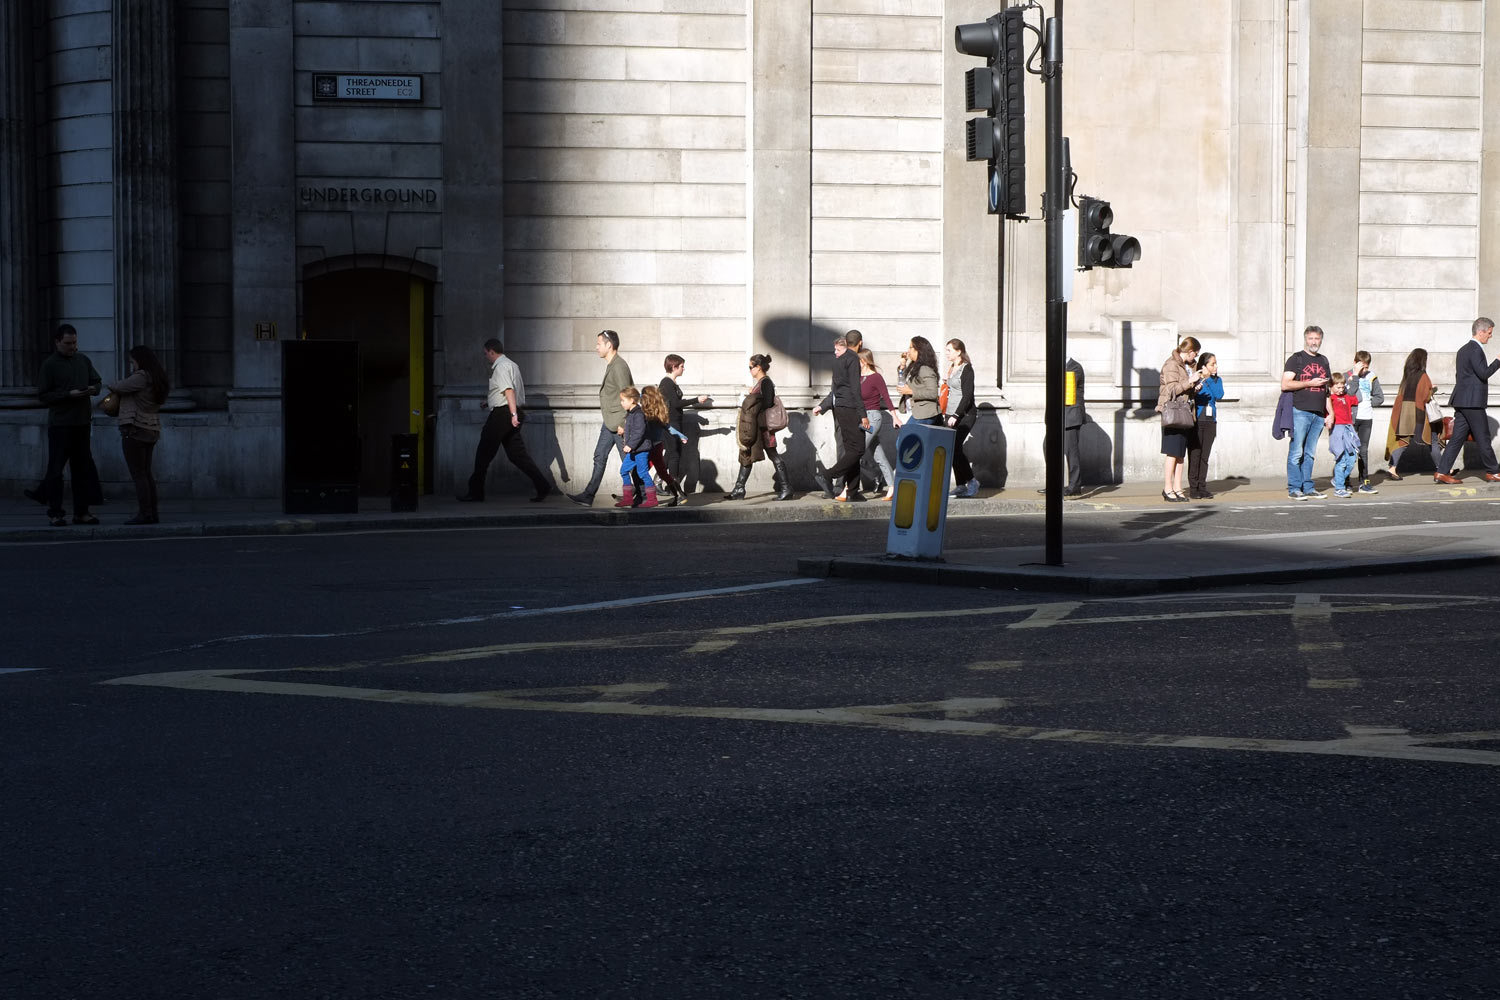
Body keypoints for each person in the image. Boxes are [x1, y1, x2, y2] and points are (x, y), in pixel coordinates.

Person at [458, 338, 551, 504]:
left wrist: (513, 414)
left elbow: (508, 390)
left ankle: (475, 492)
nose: (486, 356)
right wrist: (490, 401)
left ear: (492, 351)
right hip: (510, 411)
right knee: (517, 455)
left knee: (483, 452)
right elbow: (507, 391)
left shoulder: (500, 367)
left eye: (486, 353)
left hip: (503, 414)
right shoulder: (512, 364)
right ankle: (542, 485)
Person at [34, 324, 103, 526]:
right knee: (56, 471)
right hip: (60, 425)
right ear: (57, 342)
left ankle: (82, 512)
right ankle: (56, 513)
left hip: (82, 423)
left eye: (74, 342)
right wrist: (67, 395)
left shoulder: (83, 360)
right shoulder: (49, 365)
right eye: (68, 343)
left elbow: (98, 382)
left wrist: (92, 389)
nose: (72, 347)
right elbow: (43, 395)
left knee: (82, 470)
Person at [568, 330, 634, 507]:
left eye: (599, 344)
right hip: (609, 422)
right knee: (599, 456)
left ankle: (642, 492)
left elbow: (628, 395)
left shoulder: (619, 366)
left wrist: (624, 423)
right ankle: (589, 495)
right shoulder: (612, 364)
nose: (596, 347)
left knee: (628, 460)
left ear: (609, 345)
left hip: (618, 423)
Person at [1435, 316, 1500, 485]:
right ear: (1481, 332)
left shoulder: (1463, 349)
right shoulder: (1475, 350)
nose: (1490, 336)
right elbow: (1483, 373)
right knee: (1484, 437)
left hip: (1462, 400)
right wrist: (1498, 361)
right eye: (1489, 333)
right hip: (1473, 402)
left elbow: (1463, 376)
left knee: (1456, 438)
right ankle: (1493, 471)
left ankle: (1442, 472)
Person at [108, 344, 169, 524]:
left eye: (132, 362)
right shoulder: (157, 377)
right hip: (151, 428)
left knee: (139, 475)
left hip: (135, 428)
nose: (131, 366)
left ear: (139, 361)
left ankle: (145, 514)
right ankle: (152, 513)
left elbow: (117, 386)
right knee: (146, 474)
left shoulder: (141, 376)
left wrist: (111, 383)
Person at [725, 354, 790, 500]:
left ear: (758, 367)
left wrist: (750, 399)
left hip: (763, 428)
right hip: (756, 427)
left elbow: (766, 404)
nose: (749, 370)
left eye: (750, 367)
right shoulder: (760, 383)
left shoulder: (765, 382)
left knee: (773, 455)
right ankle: (739, 489)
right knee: (746, 453)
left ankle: (787, 488)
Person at [811, 331, 866, 501]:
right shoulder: (852, 359)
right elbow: (855, 389)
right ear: (860, 343)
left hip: (840, 409)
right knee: (858, 449)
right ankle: (827, 475)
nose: (834, 352)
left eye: (836, 349)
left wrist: (824, 405)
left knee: (851, 450)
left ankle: (853, 491)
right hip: (850, 408)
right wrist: (863, 414)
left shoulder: (838, 361)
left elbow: (835, 390)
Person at [1283, 324, 1333, 500]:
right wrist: (1309, 383)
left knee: (1310, 453)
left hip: (1318, 414)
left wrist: (1330, 413)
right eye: (1311, 338)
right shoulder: (1296, 359)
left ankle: (1308, 487)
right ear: (1305, 339)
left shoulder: (1324, 360)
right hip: (1300, 411)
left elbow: (1327, 390)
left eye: (1317, 338)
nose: (1314, 342)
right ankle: (1294, 488)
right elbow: (1285, 384)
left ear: (1321, 340)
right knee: (1296, 452)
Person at [1156, 336, 1202, 503]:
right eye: (1195, 354)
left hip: (1184, 412)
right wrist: (1190, 381)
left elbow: (1184, 389)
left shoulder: (1186, 366)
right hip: (1173, 412)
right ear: (1189, 351)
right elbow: (1170, 389)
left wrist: (1194, 387)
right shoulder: (1171, 364)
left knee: (1180, 454)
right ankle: (1167, 488)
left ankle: (1177, 487)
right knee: (1172, 452)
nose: (1195, 357)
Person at [1384, 348, 1440, 479]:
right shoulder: (1423, 375)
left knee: (1403, 440)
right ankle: (1443, 469)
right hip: (1418, 414)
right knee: (1433, 440)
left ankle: (1392, 468)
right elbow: (1425, 397)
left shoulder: (1407, 376)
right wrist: (1433, 389)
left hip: (1404, 414)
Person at [658, 354, 709, 494]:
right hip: (670, 422)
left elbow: (676, 403)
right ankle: (673, 487)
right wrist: (696, 399)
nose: (683, 369)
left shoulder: (671, 383)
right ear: (673, 367)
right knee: (674, 455)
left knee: (671, 453)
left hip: (675, 422)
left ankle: (659, 482)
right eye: (681, 366)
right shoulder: (667, 383)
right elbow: (676, 404)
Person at [856, 348, 895, 500]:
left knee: (857, 451)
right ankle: (891, 485)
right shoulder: (857, 378)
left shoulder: (876, 377)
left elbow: (886, 397)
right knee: (878, 455)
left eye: (858, 361)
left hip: (873, 419)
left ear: (864, 361)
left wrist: (894, 416)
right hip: (861, 419)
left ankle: (847, 487)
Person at [943, 338, 979, 498]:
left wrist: (956, 415)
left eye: (949, 350)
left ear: (958, 351)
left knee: (955, 447)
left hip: (965, 415)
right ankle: (960, 485)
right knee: (951, 450)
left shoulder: (967, 369)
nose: (946, 353)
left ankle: (972, 481)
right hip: (950, 414)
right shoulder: (952, 367)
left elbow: (967, 396)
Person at [641, 384, 685, 506]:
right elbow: (668, 427)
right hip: (657, 447)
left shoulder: (647, 415)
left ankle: (646, 498)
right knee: (663, 474)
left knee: (638, 472)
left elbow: (641, 432)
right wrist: (681, 435)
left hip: (649, 448)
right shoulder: (657, 414)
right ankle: (679, 494)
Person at [1186, 353, 1222, 499]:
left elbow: (1218, 395)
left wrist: (1208, 380)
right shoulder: (1195, 378)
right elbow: (1192, 395)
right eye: (1212, 364)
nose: (1215, 366)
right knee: (1195, 455)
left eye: (1215, 363)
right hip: (1197, 420)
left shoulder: (1216, 380)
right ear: (1204, 366)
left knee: (1204, 456)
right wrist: (1200, 380)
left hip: (1210, 420)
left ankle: (1202, 486)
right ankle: (1193, 488)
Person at [1346, 350, 1383, 494]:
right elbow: (1349, 394)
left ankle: (1364, 481)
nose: (1365, 370)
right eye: (1362, 367)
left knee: (1363, 450)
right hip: (1352, 417)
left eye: (1367, 367)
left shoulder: (1372, 377)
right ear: (1355, 363)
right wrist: (1355, 375)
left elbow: (1379, 397)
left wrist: (1368, 402)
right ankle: (1345, 480)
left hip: (1367, 418)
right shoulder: (1347, 376)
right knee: (1348, 449)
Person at [1325, 371, 1362, 498]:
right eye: (1338, 387)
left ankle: (1337, 480)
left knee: (1351, 459)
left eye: (1342, 387)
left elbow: (1359, 398)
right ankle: (1339, 488)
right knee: (1341, 460)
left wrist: (1354, 380)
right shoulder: (1331, 398)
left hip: (1348, 428)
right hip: (1337, 429)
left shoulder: (1347, 396)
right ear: (1331, 387)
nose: (1341, 390)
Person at [616, 387, 651, 508]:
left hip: (641, 450)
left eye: (623, 400)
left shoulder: (639, 414)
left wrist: (630, 445)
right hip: (634, 450)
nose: (621, 403)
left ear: (631, 400)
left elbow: (639, 432)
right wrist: (624, 431)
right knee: (624, 471)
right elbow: (633, 430)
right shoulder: (630, 414)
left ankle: (651, 499)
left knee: (642, 473)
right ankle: (628, 499)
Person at [896, 336, 941, 425]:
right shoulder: (914, 366)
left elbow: (933, 393)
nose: (908, 350)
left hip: (924, 414)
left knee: (905, 439)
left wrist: (911, 391)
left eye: (910, 347)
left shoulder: (925, 369)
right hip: (914, 412)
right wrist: (902, 366)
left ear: (918, 350)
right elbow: (904, 381)